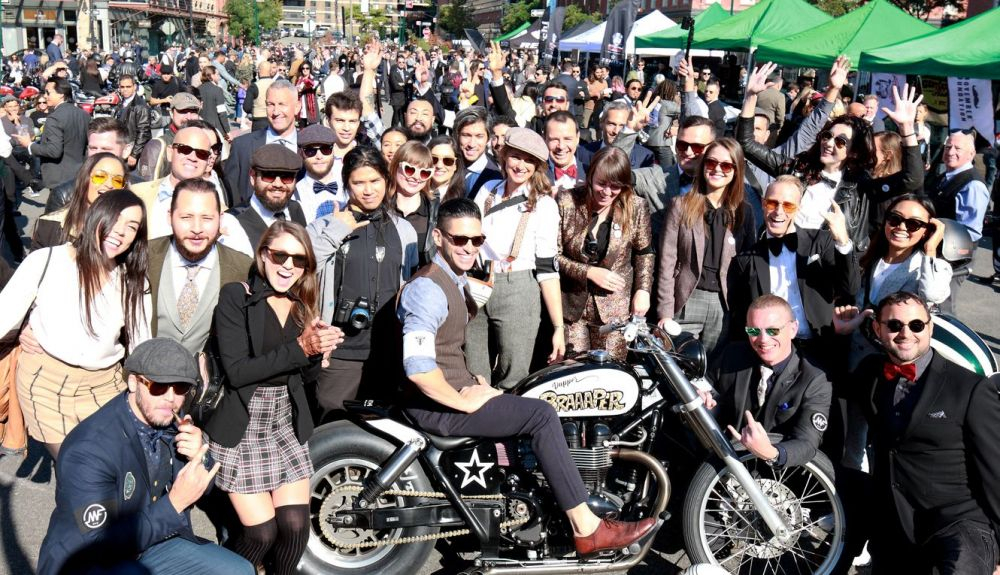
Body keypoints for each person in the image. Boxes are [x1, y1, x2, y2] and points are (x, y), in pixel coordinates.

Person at [397, 197, 658, 557]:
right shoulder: (428, 288)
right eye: (460, 240)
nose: (470, 248)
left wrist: (474, 380)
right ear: (439, 238)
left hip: (452, 392)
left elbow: (447, 350)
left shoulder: (453, 279)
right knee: (541, 415)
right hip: (434, 405)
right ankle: (587, 527)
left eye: (476, 240)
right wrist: (462, 399)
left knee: (533, 399)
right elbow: (419, 368)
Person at [36, 338, 254, 575]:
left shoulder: (171, 421)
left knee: (239, 570)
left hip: (154, 542)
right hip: (94, 560)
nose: (170, 398)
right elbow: (100, 543)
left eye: (180, 387)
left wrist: (199, 458)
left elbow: (205, 486)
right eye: (158, 386)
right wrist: (174, 504)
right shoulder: (89, 450)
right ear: (133, 382)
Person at [205, 221, 339, 575]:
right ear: (263, 254)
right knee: (261, 533)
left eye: (299, 260)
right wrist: (300, 350)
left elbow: (302, 378)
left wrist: (317, 357)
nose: (287, 266)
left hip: (284, 424)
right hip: (243, 425)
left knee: (296, 528)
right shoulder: (238, 296)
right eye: (280, 255)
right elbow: (238, 372)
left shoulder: (301, 307)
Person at [850, 291, 1000, 574]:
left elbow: (997, 472)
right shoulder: (869, 374)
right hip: (894, 525)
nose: (905, 333)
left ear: (929, 328)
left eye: (916, 325)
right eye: (894, 325)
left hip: (958, 524)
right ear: (878, 329)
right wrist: (839, 332)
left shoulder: (970, 389)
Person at [2, 190, 151, 459]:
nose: (120, 232)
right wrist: (25, 327)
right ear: (95, 217)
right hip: (45, 381)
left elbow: (142, 345)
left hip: (105, 384)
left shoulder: (134, 282)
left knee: (108, 466)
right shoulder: (47, 261)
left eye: (132, 227)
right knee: (77, 466)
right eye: (114, 220)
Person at [739, 61, 922, 252]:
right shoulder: (796, 168)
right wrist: (751, 97)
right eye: (827, 136)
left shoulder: (860, 186)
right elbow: (747, 144)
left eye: (841, 142)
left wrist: (907, 129)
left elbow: (912, 179)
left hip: (828, 270)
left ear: (854, 152)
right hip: (785, 257)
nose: (829, 143)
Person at [833, 194, 951, 472]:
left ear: (927, 230)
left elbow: (933, 294)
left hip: (898, 369)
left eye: (914, 224)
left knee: (889, 444)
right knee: (854, 440)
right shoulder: (869, 257)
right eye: (895, 219)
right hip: (859, 361)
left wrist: (932, 248)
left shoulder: (930, 265)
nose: (902, 228)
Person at [307, 146, 418, 418]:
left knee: (381, 430)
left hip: (388, 350)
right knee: (332, 425)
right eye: (358, 182)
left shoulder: (404, 230)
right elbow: (304, 269)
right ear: (346, 184)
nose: (368, 190)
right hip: (338, 351)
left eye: (375, 181)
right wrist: (337, 230)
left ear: (387, 181)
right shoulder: (324, 226)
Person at [469, 127, 565, 388]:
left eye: (529, 160)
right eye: (516, 157)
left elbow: (548, 269)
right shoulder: (488, 189)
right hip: (477, 281)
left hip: (518, 288)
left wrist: (558, 327)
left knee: (513, 375)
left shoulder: (544, 205)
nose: (521, 166)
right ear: (504, 156)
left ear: (538, 167)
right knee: (474, 371)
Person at [701, 294, 832, 469]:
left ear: (793, 329)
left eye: (773, 330)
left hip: (777, 478)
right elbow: (707, 385)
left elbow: (807, 443)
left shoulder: (814, 379)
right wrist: (703, 396)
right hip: (720, 464)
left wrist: (771, 453)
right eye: (754, 331)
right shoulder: (732, 355)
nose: (763, 339)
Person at [657, 139, 756, 358]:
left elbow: (747, 267)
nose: (717, 169)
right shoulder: (680, 205)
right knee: (678, 366)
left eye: (726, 165)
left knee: (712, 371)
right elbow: (667, 261)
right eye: (711, 163)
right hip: (686, 299)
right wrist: (665, 311)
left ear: (736, 171)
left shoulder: (744, 212)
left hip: (723, 306)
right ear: (703, 166)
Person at [556, 147, 654, 360]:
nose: (607, 192)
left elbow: (644, 253)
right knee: (575, 373)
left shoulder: (636, 207)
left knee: (612, 374)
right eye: (601, 183)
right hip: (573, 309)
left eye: (615, 186)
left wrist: (643, 290)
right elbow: (553, 256)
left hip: (615, 309)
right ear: (589, 176)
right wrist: (588, 272)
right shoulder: (566, 201)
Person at [147, 178, 253, 354]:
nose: (197, 228)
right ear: (169, 216)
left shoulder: (243, 268)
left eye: (206, 218)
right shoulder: (143, 257)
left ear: (220, 219)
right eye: (186, 217)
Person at [925, 129, 990, 312]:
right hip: (935, 252)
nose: (950, 151)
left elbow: (969, 232)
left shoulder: (973, 185)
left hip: (953, 258)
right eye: (948, 146)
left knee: (942, 308)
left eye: (957, 148)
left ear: (971, 153)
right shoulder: (944, 176)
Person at [132, 126, 228, 239]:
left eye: (201, 153)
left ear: (208, 161)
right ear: (169, 152)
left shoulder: (222, 213)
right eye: (184, 149)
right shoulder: (137, 194)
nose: (192, 157)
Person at [225, 80, 300, 205]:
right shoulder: (242, 147)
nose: (276, 112)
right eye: (270, 104)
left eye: (282, 104)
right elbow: (232, 193)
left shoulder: (311, 149)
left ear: (297, 107)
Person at [32, 153, 127, 249]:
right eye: (100, 176)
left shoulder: (127, 231)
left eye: (117, 181)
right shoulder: (50, 225)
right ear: (84, 178)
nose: (109, 184)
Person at [225, 144, 308, 254]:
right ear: (253, 177)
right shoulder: (232, 222)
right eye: (269, 175)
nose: (278, 184)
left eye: (286, 177)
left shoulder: (296, 209)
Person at [13, 78, 89, 190]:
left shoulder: (54, 117)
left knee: (58, 207)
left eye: (48, 92)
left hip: (60, 178)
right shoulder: (83, 114)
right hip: (80, 174)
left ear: (61, 94)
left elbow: (54, 151)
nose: (45, 96)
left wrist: (29, 145)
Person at [388, 141, 438, 266]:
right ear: (395, 167)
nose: (416, 177)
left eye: (424, 173)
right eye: (409, 169)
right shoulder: (380, 206)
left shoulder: (435, 211)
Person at [294, 124, 347, 224]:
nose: (319, 156)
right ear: (301, 153)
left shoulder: (349, 184)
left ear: (334, 149)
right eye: (310, 151)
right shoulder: (294, 193)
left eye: (325, 149)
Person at [584, 99, 655, 170]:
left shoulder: (644, 157)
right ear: (601, 124)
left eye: (622, 126)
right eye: (611, 124)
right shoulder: (583, 152)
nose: (616, 131)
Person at [455, 107, 502, 198]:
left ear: (488, 138)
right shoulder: (446, 164)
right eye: (466, 135)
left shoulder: (494, 177)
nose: (472, 144)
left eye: (479, 136)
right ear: (457, 135)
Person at [544, 111, 592, 192]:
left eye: (567, 139)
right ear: (544, 139)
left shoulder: (591, 175)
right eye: (554, 139)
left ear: (577, 138)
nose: (561, 146)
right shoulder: (535, 174)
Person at [113, 74, 152, 171]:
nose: (125, 89)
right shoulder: (122, 102)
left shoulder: (140, 106)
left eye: (128, 86)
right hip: (122, 148)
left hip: (132, 153)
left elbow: (144, 132)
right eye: (122, 87)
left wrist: (134, 154)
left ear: (134, 87)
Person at [197, 66, 230, 145]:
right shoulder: (217, 90)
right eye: (217, 74)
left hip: (201, 126)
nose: (219, 77)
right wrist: (227, 131)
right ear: (212, 75)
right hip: (216, 128)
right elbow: (221, 112)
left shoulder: (198, 89)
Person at [428, 135, 467, 203]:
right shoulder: (414, 192)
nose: (439, 166)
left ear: (456, 165)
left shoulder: (462, 199)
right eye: (434, 159)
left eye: (447, 160)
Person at [295, 61, 320, 127]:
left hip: (311, 109)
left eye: (307, 68)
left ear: (310, 69)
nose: (305, 70)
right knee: (302, 131)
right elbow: (295, 90)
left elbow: (313, 86)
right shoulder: (299, 79)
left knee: (312, 131)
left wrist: (303, 87)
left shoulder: (314, 78)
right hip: (301, 108)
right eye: (303, 68)